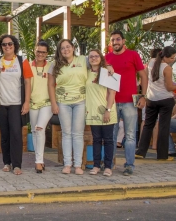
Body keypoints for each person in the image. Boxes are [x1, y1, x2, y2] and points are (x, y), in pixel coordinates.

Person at [105, 30, 147, 176]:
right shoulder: (107, 58)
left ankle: (129, 165)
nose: (115, 42)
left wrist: (143, 96)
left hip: (130, 101)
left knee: (130, 135)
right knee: (111, 135)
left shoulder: (133, 55)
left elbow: (143, 75)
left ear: (123, 41)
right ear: (110, 43)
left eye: (118, 39)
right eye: (112, 40)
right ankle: (109, 164)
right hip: (112, 101)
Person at [48, 39, 87, 175]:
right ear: (59, 51)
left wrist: (109, 67)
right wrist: (54, 103)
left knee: (78, 134)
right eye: (62, 48)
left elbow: (98, 63)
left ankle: (77, 165)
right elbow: (50, 85)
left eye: (68, 47)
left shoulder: (83, 60)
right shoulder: (54, 65)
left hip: (81, 102)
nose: (66, 50)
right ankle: (67, 164)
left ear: (73, 47)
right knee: (66, 133)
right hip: (63, 103)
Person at [0, 34, 33, 175]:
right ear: (1, 47)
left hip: (16, 104)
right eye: (4, 44)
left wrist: (27, 102)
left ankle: (17, 165)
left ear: (15, 45)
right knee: (4, 136)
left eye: (10, 44)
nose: (7, 46)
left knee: (16, 135)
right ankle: (7, 163)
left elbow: (28, 82)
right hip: (1, 104)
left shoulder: (22, 61)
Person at [135, 46, 176, 160]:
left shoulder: (151, 62)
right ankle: (162, 155)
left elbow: (144, 78)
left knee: (148, 125)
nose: (173, 60)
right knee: (164, 127)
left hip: (151, 98)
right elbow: (169, 87)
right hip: (165, 99)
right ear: (165, 56)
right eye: (172, 58)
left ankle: (140, 152)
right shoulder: (167, 68)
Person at [86, 49, 117, 177]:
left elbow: (112, 92)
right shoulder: (86, 73)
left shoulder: (107, 73)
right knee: (96, 140)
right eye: (91, 56)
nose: (93, 58)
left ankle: (108, 167)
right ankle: (96, 165)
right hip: (92, 112)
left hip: (107, 111)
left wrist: (108, 110)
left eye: (96, 56)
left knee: (108, 140)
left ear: (101, 57)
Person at [29, 40, 53, 173]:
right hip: (33, 103)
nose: (40, 54)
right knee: (34, 131)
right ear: (34, 50)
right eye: (38, 51)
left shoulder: (51, 66)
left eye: (43, 52)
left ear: (47, 53)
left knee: (39, 128)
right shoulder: (27, 65)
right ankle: (40, 159)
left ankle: (38, 162)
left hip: (47, 103)